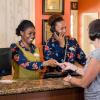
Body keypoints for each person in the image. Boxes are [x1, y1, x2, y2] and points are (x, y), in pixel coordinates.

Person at [60, 19, 100, 100]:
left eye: (88, 31)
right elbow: (91, 74)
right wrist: (72, 67)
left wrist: (70, 79)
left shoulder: (97, 54)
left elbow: (84, 83)